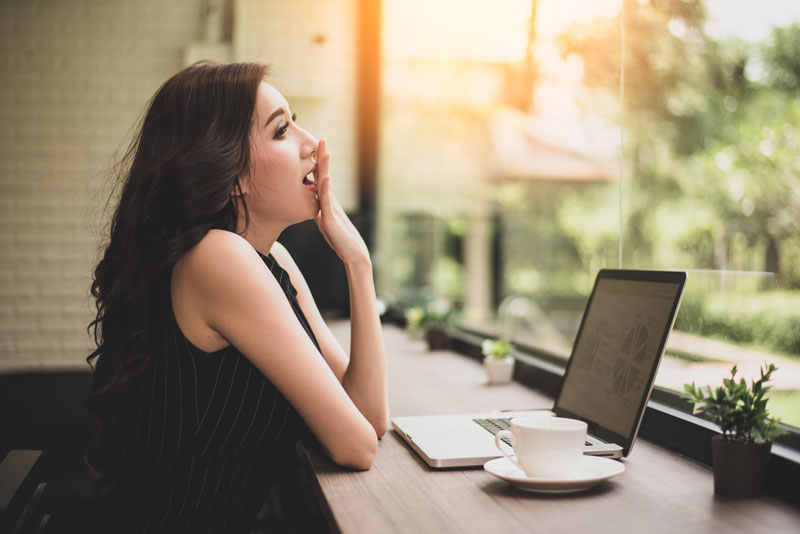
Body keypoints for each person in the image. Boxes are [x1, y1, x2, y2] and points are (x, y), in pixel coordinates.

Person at [84, 61, 388, 533]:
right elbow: (358, 446)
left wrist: (359, 264)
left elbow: (368, 420)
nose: (312, 145)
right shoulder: (218, 258)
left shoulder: (273, 260)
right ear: (231, 175)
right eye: (282, 130)